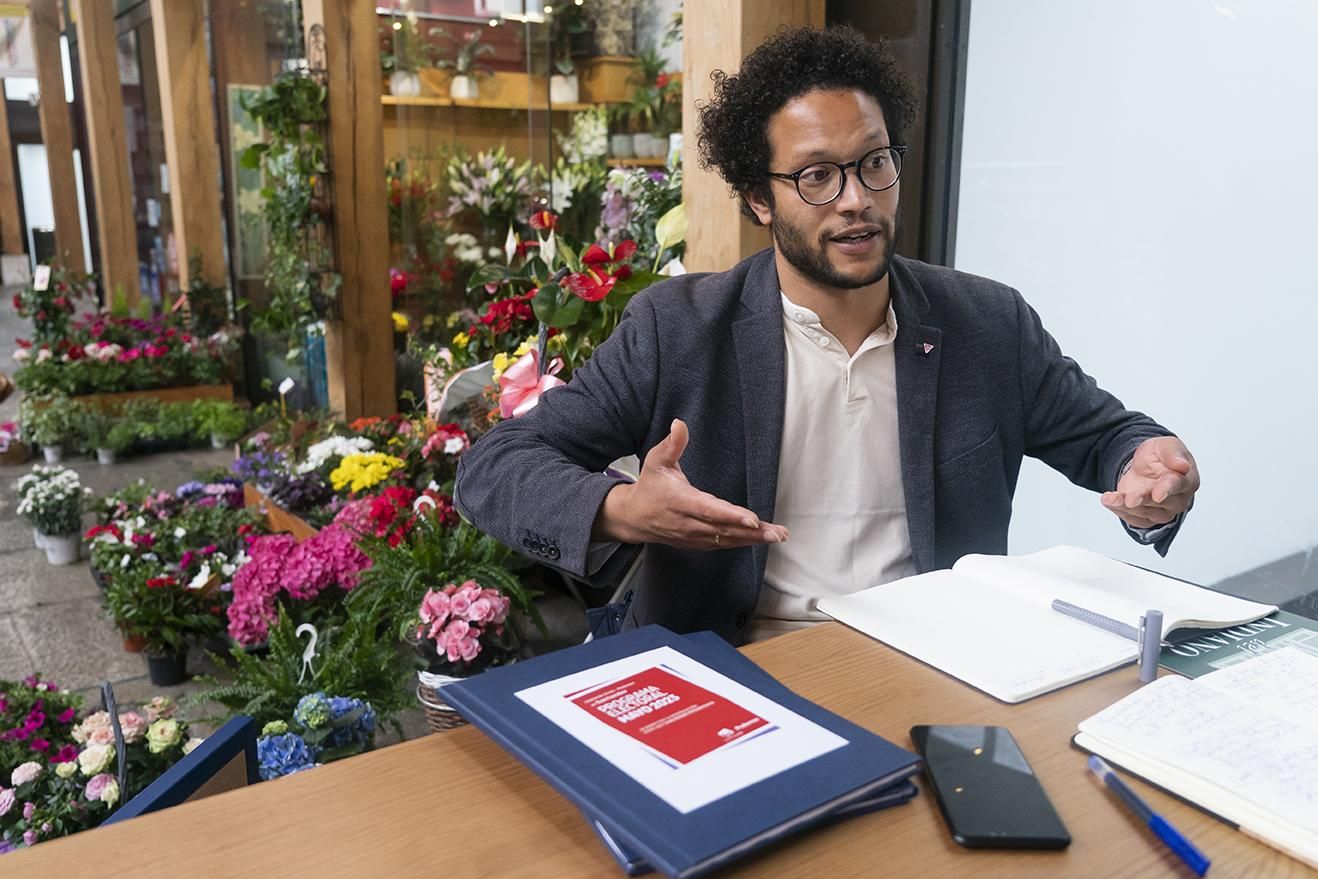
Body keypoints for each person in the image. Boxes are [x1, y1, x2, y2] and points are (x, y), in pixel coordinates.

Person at [455, 26, 1200, 645]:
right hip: (731, 664)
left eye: (874, 164)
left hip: (933, 657)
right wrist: (624, 510)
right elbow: (495, 466)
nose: (857, 201)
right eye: (816, 176)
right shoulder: (677, 328)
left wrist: (1149, 471)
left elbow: (1111, 440)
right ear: (758, 198)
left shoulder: (987, 324)